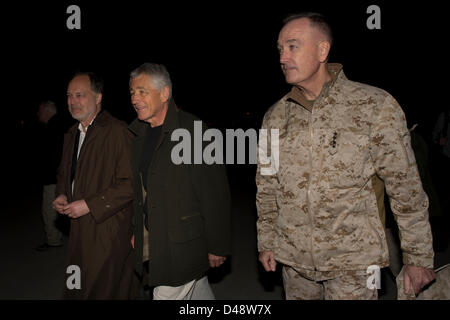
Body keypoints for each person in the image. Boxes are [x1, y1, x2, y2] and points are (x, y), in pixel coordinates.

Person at [256, 12, 435, 300]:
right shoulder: (275, 116)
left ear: (322, 49)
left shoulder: (373, 106)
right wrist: (266, 241)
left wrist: (418, 257)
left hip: (355, 263)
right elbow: (267, 186)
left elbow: (406, 188)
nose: (282, 57)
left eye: (292, 46)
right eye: (280, 49)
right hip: (295, 262)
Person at [128, 63, 231, 300]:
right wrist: (138, 230)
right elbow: (143, 191)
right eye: (132, 92)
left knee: (166, 293)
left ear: (164, 93)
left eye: (142, 91)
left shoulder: (194, 132)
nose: (135, 98)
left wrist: (217, 244)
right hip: (159, 236)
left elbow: (215, 194)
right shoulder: (138, 134)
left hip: (183, 241)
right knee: (198, 292)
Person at [53, 72, 134, 299]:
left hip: (107, 230)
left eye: (80, 95)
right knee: (75, 284)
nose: (72, 101)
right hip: (78, 230)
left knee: (102, 290)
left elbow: (131, 183)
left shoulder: (117, 131)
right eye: (69, 95)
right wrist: (61, 194)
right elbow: (64, 173)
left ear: (98, 97)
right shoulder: (72, 133)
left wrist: (89, 205)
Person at [35, 100, 65, 251]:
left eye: (40, 111)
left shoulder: (53, 129)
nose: (38, 114)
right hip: (58, 177)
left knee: (49, 210)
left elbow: (52, 157)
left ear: (47, 112)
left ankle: (53, 240)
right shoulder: (60, 126)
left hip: (53, 179)